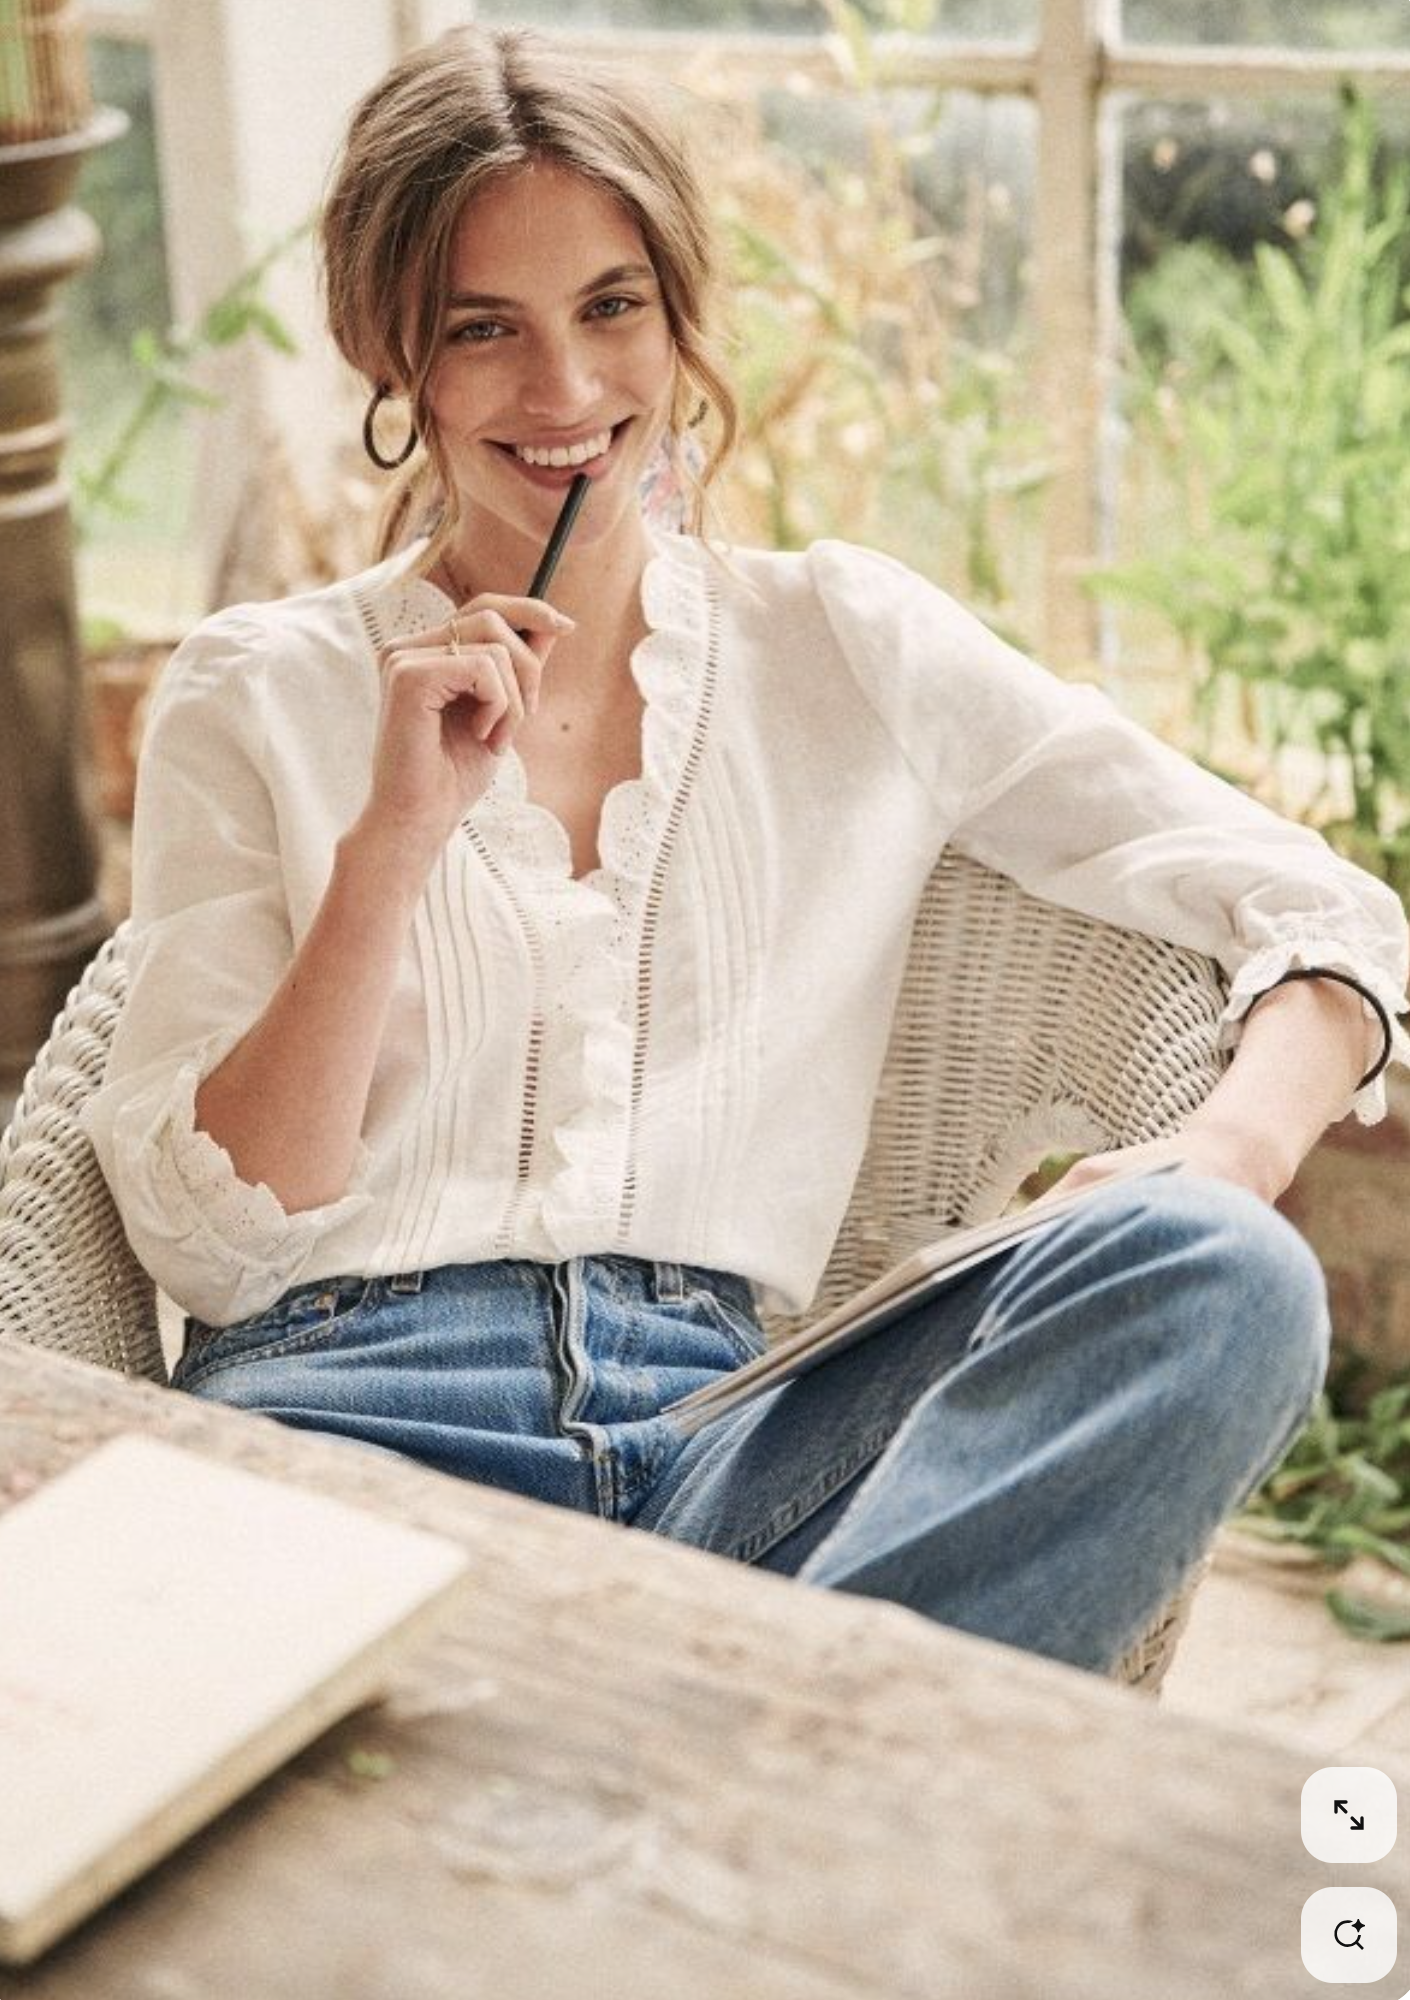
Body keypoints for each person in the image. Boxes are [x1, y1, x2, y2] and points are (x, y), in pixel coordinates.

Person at [84, 24, 1410, 1679]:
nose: (564, 394)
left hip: (735, 1444)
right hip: (350, 1436)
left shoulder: (840, 643)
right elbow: (205, 1242)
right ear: (387, 353)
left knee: (1224, 1278)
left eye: (610, 307)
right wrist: (389, 853)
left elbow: (1317, 904)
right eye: (481, 329)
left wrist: (1230, 1148)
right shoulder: (257, 688)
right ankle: (785, 1792)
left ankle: (759, 1756)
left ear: (680, 313)